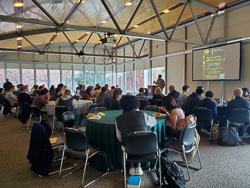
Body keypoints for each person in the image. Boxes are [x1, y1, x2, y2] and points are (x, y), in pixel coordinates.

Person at [115, 95, 157, 175]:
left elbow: (119, 137)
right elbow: (153, 122)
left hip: (128, 146)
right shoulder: (142, 115)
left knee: (130, 142)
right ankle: (138, 166)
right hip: (146, 146)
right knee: (139, 140)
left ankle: (131, 167)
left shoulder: (118, 119)